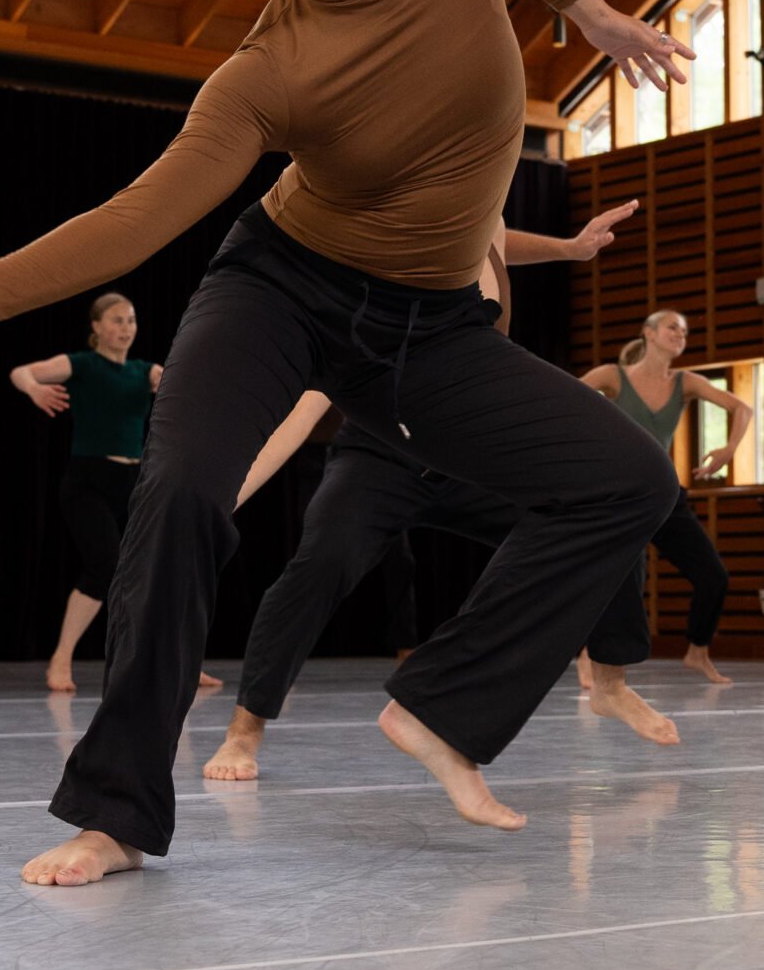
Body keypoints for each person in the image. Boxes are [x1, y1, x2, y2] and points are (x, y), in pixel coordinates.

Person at [0, 0, 691, 887]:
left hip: (431, 326)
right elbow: (141, 215)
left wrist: (592, 10)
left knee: (628, 481)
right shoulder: (267, 71)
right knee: (176, 499)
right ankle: (114, 813)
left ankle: (444, 708)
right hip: (283, 291)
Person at [202, 199, 678, 783]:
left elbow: (501, 233)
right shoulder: (403, 251)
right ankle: (244, 730)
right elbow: (310, 403)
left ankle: (610, 681)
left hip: (469, 459)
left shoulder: (484, 220)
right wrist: (223, 492)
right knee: (322, 563)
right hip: (381, 456)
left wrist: (569, 249)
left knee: (608, 505)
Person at [11, 292, 219, 696]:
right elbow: (21, 372)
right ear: (97, 327)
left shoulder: (144, 371)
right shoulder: (82, 364)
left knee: (164, 568)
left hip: (135, 484)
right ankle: (61, 657)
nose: (125, 328)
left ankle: (181, 661)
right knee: (104, 565)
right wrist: (34, 389)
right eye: (116, 320)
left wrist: (171, 384)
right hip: (88, 482)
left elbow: (186, 385)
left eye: (131, 320)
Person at [579, 308, 752, 684]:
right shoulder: (612, 376)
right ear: (649, 333)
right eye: (673, 327)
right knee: (622, 578)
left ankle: (697, 652)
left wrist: (728, 449)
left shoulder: (685, 382)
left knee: (714, 576)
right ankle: (589, 653)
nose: (680, 334)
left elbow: (743, 407)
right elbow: (566, 400)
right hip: (621, 497)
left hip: (666, 495)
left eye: (686, 331)